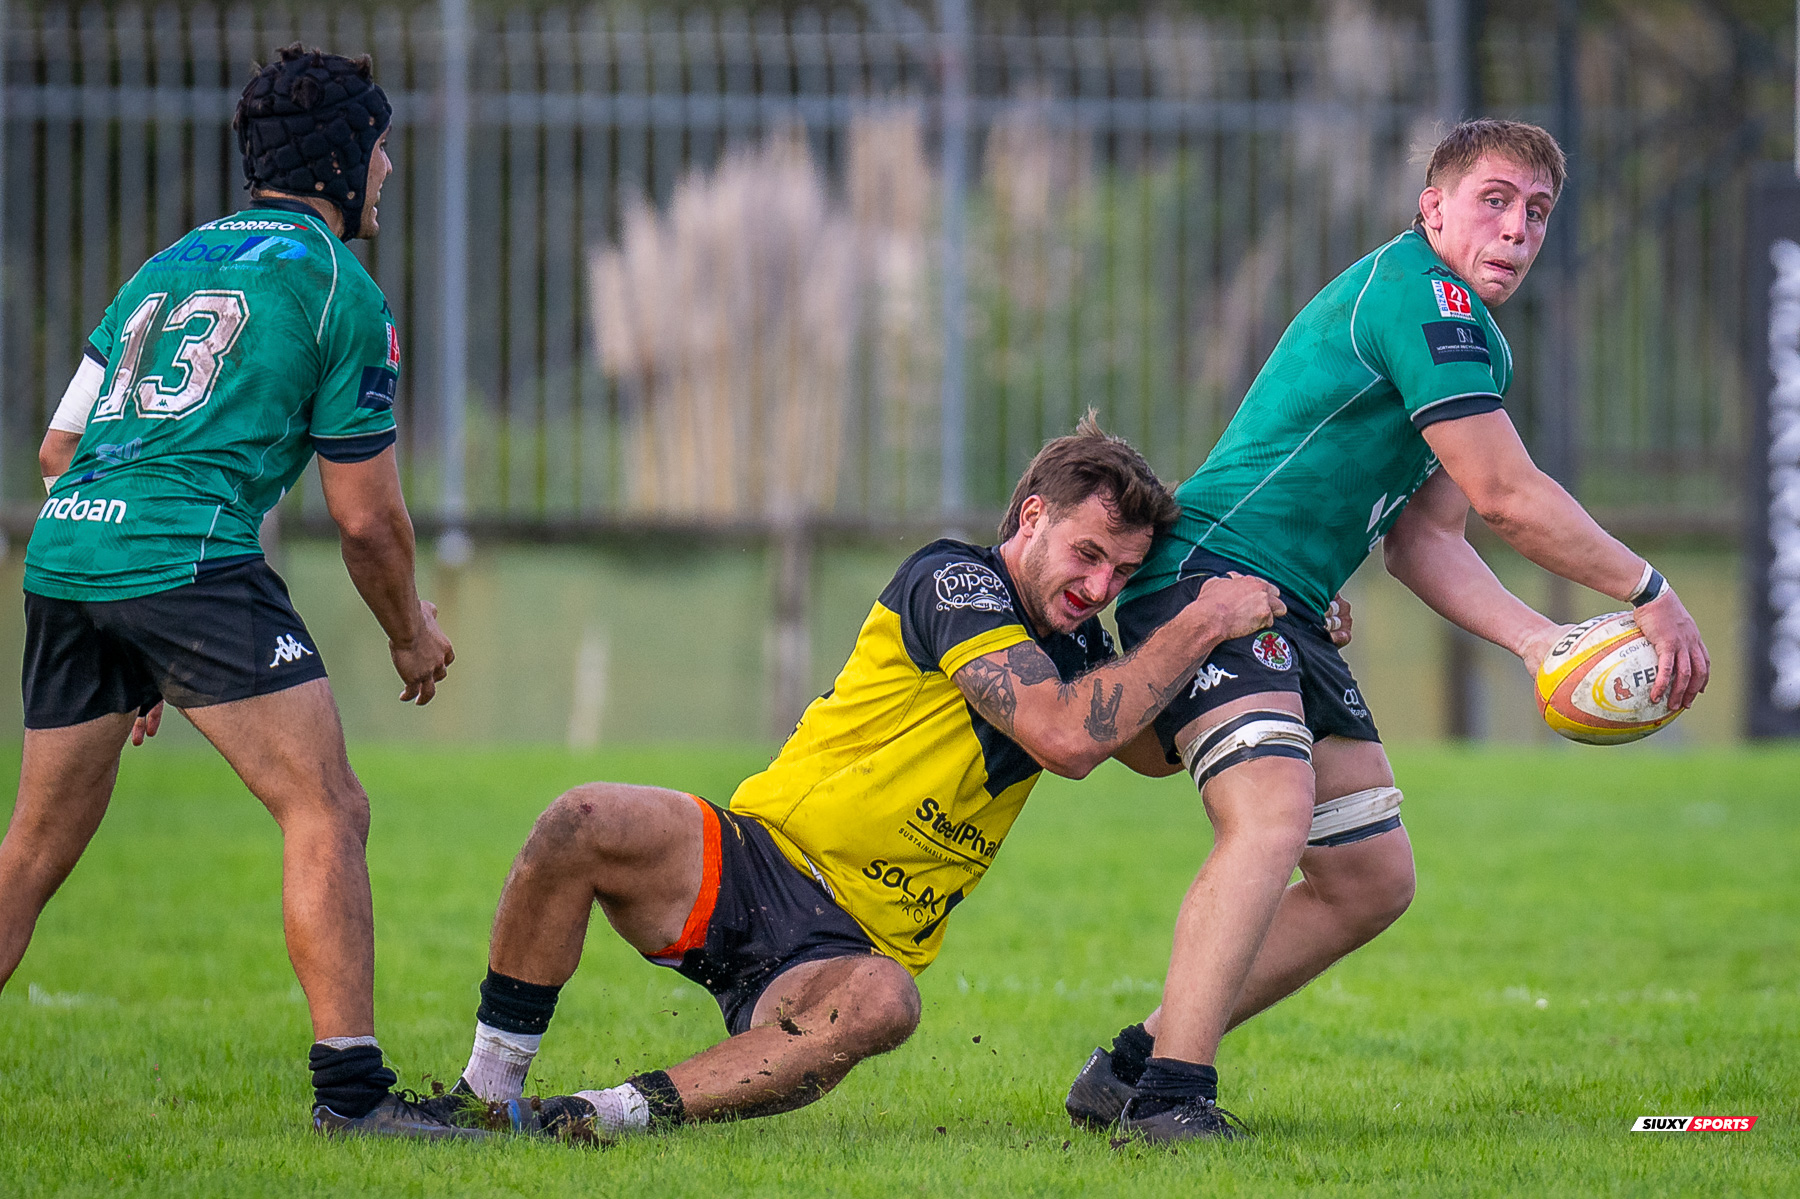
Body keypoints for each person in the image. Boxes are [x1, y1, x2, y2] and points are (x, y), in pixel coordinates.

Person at [1061, 119, 1711, 1143]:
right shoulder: (1426, 296)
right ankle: (1173, 1099)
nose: (1518, 227)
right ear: (1433, 208)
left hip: (1294, 603)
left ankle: (1133, 1063)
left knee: (1370, 878)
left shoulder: (1474, 335)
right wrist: (1648, 589)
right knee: (1271, 814)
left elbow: (1426, 538)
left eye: (1538, 212)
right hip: (1212, 576)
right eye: (1494, 200)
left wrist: (1540, 640)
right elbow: (1506, 492)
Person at [421, 418, 1287, 1139]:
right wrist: (1207, 617)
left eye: (1123, 574)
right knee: (581, 818)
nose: (1099, 587)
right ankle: (486, 1091)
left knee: (886, 1003)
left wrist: (1276, 652)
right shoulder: (956, 577)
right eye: (1088, 554)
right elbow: (1066, 735)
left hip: (845, 950)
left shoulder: (1084, 650)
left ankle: (593, 1116)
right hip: (753, 858)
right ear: (1031, 517)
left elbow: (1146, 745)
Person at [0, 45, 475, 1140]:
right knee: (328, 805)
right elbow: (368, 518)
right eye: (384, 148)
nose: (392, 170)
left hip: (71, 553)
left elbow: (58, 444)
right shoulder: (335, 287)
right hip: (187, 558)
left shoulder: (161, 269)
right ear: (348, 160)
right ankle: (354, 1098)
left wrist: (135, 625)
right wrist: (411, 634)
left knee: (27, 853)